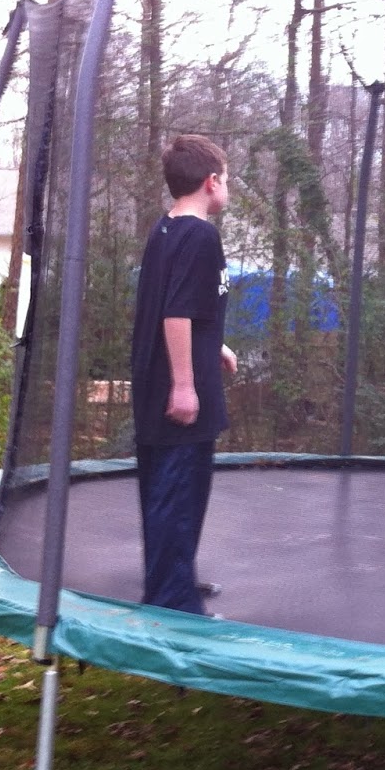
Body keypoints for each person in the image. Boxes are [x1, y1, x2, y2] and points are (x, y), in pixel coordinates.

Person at [130, 134, 238, 615]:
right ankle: (173, 602)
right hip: (177, 385)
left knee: (169, 490)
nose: (227, 188)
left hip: (161, 374)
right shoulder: (200, 235)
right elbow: (175, 312)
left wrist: (215, 346)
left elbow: (180, 304)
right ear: (211, 182)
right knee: (178, 492)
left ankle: (173, 580)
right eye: (227, 179)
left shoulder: (166, 229)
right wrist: (184, 385)